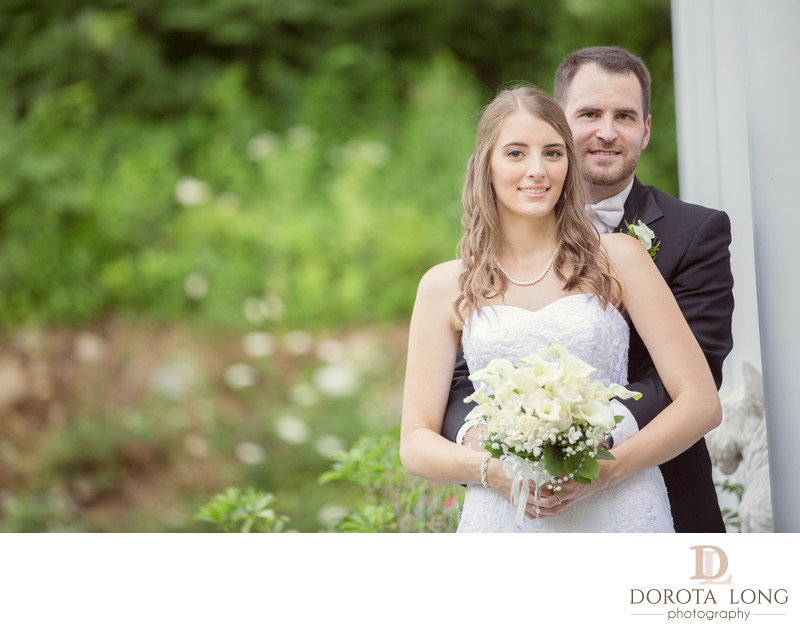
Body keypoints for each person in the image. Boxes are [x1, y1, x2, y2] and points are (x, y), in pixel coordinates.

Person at [399, 84, 721, 532]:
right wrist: (493, 472)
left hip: (621, 508)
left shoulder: (619, 258)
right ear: (486, 167)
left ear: (569, 166)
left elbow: (702, 403)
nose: (537, 170)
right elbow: (415, 442)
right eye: (515, 153)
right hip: (504, 516)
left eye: (553, 153)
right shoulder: (444, 285)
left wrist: (610, 468)